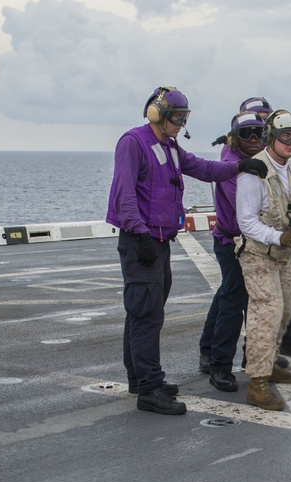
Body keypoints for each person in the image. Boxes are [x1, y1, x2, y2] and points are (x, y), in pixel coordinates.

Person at [107, 86, 268, 415]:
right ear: (157, 114)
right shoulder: (133, 143)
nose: (181, 124)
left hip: (160, 240)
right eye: (177, 118)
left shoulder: (169, 146)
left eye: (184, 118)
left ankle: (139, 378)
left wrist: (241, 167)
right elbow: (124, 194)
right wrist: (139, 235)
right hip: (143, 241)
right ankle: (150, 389)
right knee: (147, 314)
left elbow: (205, 169)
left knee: (143, 311)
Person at [236, 109, 291, 411]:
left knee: (285, 309)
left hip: (283, 255)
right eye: (286, 136)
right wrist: (278, 237)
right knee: (267, 313)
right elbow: (246, 222)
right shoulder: (254, 172)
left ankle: (271, 364)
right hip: (259, 255)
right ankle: (257, 384)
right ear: (271, 138)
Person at [197, 110, 267, 392]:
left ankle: (246, 356)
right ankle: (220, 366)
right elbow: (247, 207)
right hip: (232, 242)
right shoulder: (232, 166)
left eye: (258, 133)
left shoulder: (258, 160)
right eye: (245, 134)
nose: (252, 139)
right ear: (235, 138)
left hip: (256, 242)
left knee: (238, 296)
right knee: (233, 298)